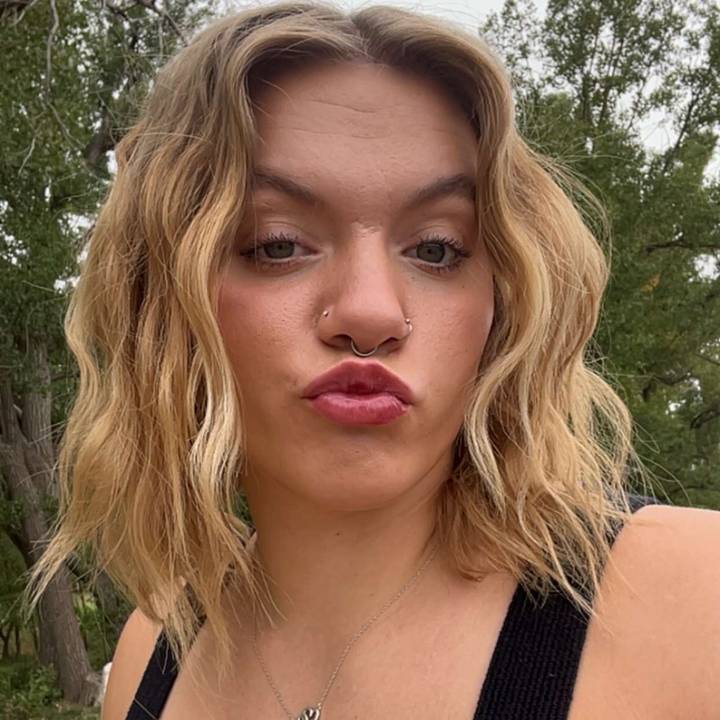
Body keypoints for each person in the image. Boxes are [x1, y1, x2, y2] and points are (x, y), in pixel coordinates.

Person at [24, 2, 719, 719]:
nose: (370, 314)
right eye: (277, 243)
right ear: (163, 299)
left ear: (505, 298)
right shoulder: (154, 651)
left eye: (437, 249)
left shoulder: (692, 601)